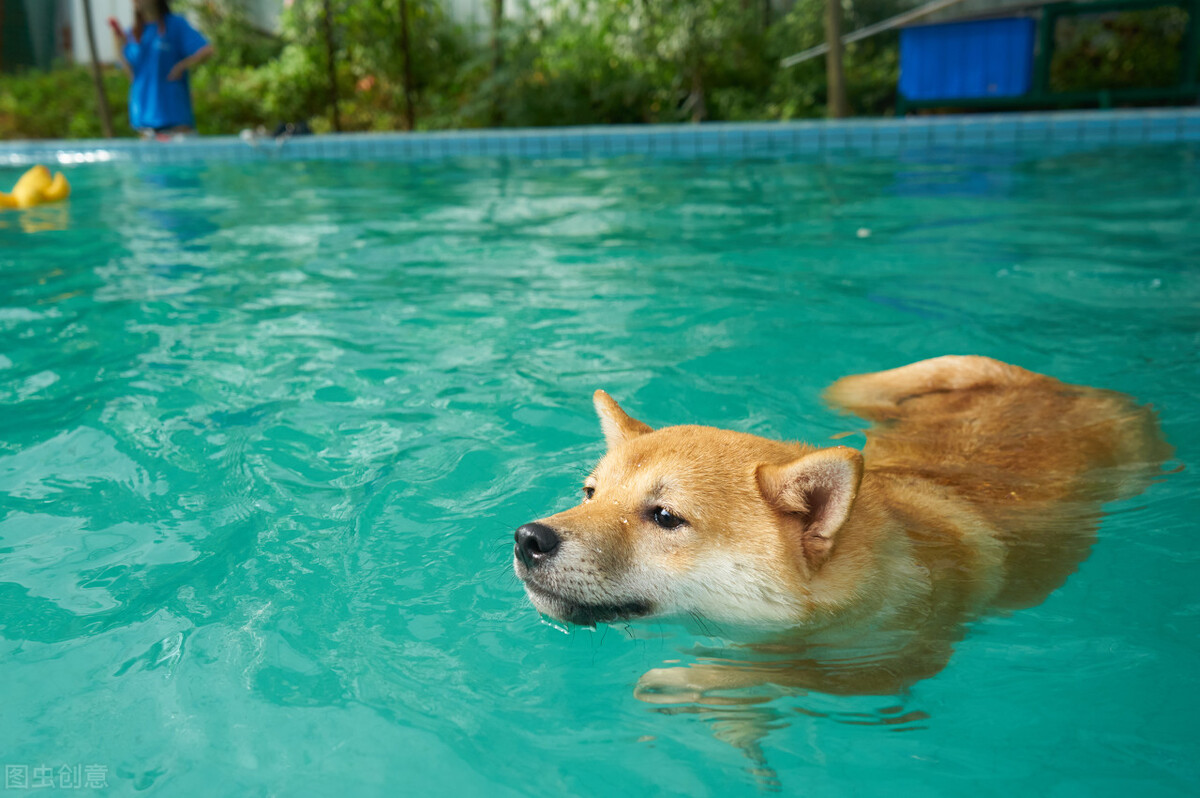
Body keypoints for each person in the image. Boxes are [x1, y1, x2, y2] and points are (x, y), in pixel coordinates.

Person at [112, 0, 214, 136]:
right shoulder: (133, 32)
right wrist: (119, 48)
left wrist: (181, 66)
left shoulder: (175, 24)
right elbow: (132, 76)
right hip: (144, 120)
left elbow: (207, 50)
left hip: (175, 117)